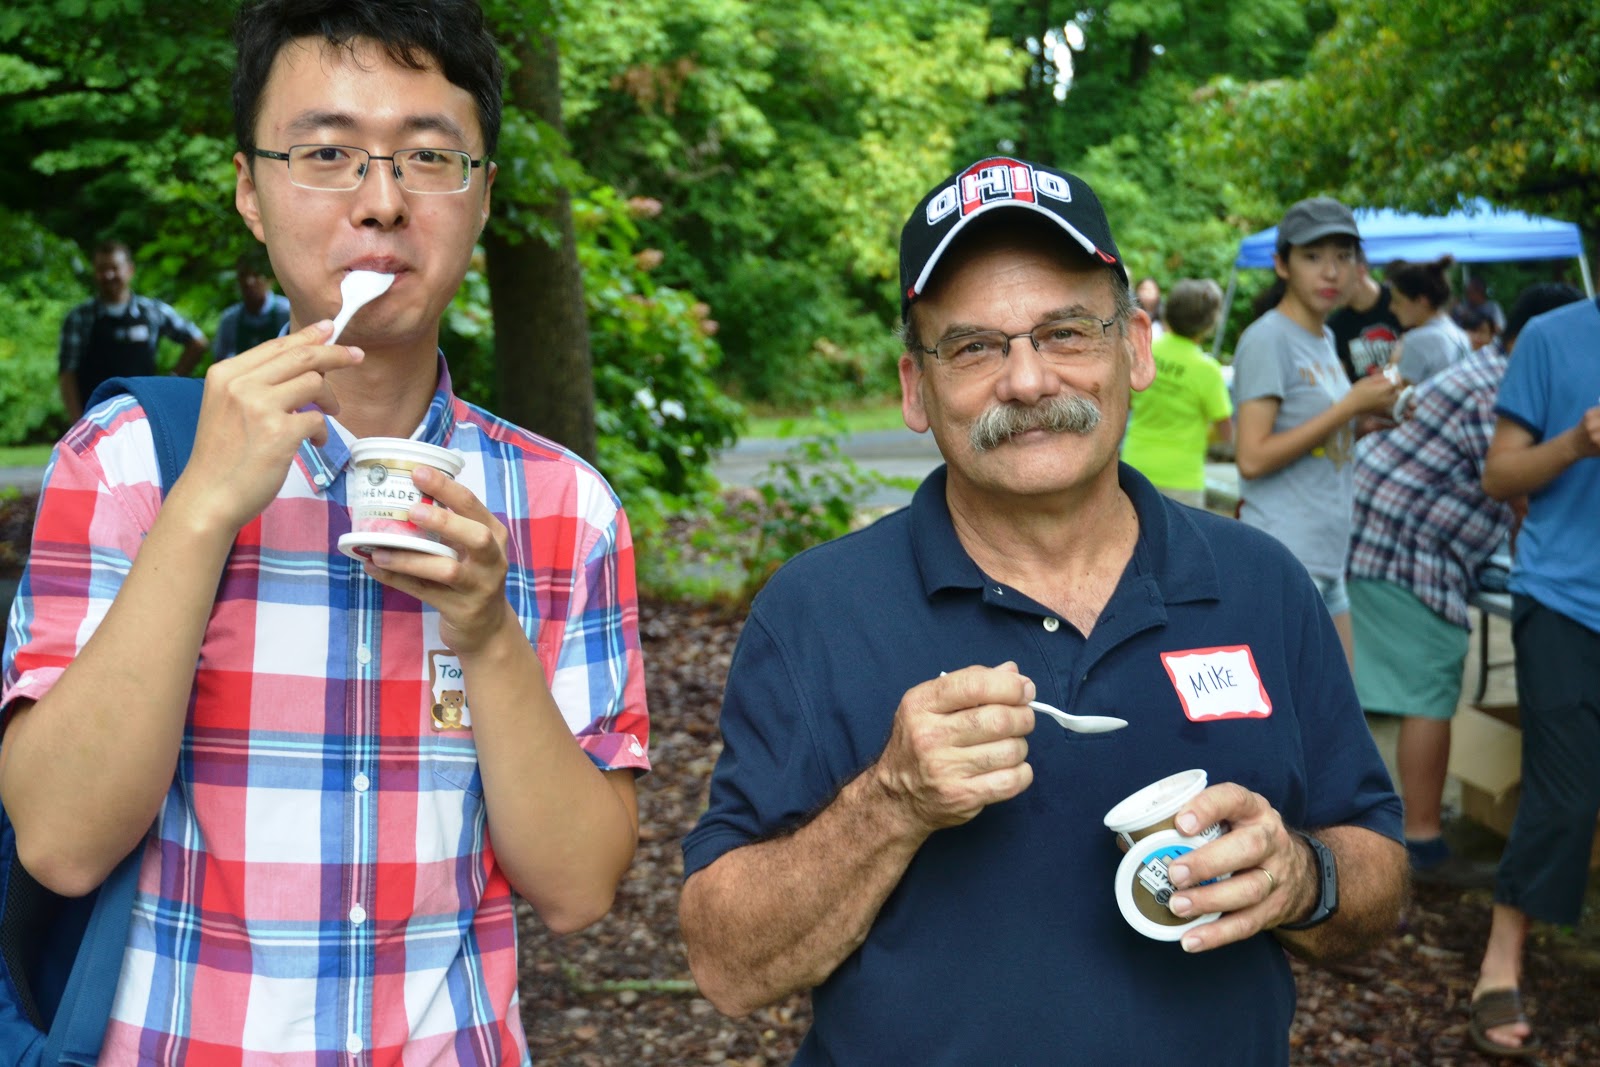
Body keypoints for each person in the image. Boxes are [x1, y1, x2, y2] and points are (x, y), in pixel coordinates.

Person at [0, 1, 649, 1062]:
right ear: (251, 192)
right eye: (327, 152)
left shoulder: (562, 505)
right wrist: (205, 503)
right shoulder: (124, 461)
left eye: (428, 156)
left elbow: (579, 887)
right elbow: (62, 844)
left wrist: (487, 632)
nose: (381, 202)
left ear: (483, 194)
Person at [678, 156, 1406, 1065]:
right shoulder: (817, 610)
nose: (1026, 381)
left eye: (1065, 332)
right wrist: (890, 802)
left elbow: (1379, 866)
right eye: (975, 346)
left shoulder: (1259, 583)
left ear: (1134, 348)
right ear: (915, 387)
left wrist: (1304, 877)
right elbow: (726, 963)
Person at [1347, 283, 1584, 891]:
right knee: (1429, 689)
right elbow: (1518, 491)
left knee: (1398, 686)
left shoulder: (1488, 367)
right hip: (1408, 545)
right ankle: (1421, 843)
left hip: (1386, 528)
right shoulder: (1499, 388)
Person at [1467, 287, 1600, 1058]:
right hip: (1565, 599)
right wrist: (1577, 444)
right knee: (1565, 791)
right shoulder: (1551, 337)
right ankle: (1500, 961)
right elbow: (1499, 476)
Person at [1231, 198, 1402, 668]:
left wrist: (1364, 421)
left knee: (1337, 719)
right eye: (1313, 256)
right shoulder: (1268, 338)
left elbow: (1318, 439)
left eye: (1344, 256)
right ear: (1281, 264)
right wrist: (1349, 405)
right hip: (1285, 556)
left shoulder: (1324, 338)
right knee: (1294, 722)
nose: (1331, 272)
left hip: (1329, 558)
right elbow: (1252, 456)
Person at [56, 239, 209, 421]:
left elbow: (198, 342)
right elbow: (67, 374)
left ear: (130, 270)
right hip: (94, 416)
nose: (108, 275)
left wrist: (170, 382)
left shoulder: (152, 312)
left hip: (142, 415)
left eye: (114, 268)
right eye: (102, 269)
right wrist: (77, 421)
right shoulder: (80, 318)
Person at [1122, 277, 1233, 508]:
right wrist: (1203, 434)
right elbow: (1225, 431)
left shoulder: (1147, 351)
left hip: (1133, 467)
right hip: (1182, 479)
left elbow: (1127, 401)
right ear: (1210, 323)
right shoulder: (1207, 370)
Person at [1387, 255, 1472, 386]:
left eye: (1397, 301)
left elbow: (1395, 397)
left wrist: (1392, 364)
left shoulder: (1415, 341)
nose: (1392, 308)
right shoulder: (1461, 336)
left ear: (1422, 301)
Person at [1327, 245, 1401, 381]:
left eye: (1336, 278)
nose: (1330, 287)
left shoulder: (1399, 301)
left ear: (1360, 272)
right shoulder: (1334, 326)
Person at [211, 252, 292, 361]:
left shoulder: (287, 313)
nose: (249, 282)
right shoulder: (230, 320)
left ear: (269, 279)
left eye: (256, 275)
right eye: (243, 275)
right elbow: (219, 362)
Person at [1136, 274, 1165, 341]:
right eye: (1144, 289)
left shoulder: (1164, 315)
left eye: (1151, 289)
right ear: (1137, 291)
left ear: (1158, 292)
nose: (1147, 292)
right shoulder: (1131, 314)